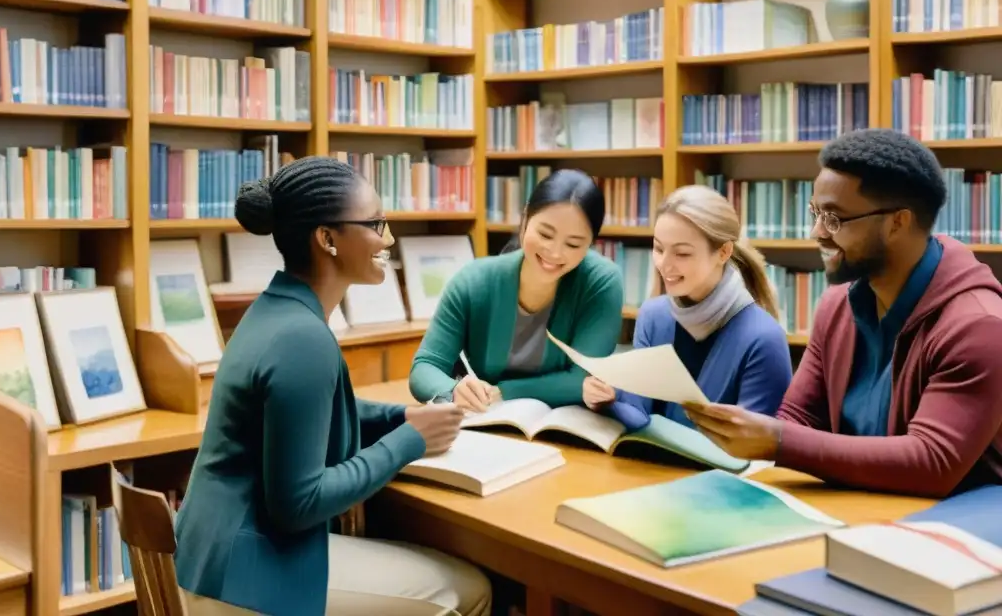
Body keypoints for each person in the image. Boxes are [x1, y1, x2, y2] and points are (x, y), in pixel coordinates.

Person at [173, 157, 491, 616]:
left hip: (215, 555)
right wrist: (409, 441)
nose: (389, 238)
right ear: (327, 239)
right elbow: (298, 505)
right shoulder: (303, 340)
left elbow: (308, 411)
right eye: (375, 224)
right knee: (470, 590)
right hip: (243, 578)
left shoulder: (274, 310)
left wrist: (399, 418)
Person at [684, 129, 1002, 498]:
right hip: (859, 503)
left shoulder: (980, 327)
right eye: (815, 213)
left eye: (834, 219)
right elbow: (798, 419)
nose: (817, 232)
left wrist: (777, 441)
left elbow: (932, 462)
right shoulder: (837, 305)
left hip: (958, 525)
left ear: (898, 222)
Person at [409, 169, 625, 411]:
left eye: (573, 244)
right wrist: (452, 391)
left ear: (591, 243)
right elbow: (425, 367)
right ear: (525, 218)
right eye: (545, 234)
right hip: (487, 422)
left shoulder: (601, 282)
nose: (554, 252)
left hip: (564, 429)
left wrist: (504, 391)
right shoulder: (474, 281)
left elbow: (584, 380)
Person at [583, 185, 792, 429]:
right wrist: (607, 400)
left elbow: (756, 447)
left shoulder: (763, 338)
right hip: (646, 464)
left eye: (682, 253)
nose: (664, 265)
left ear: (723, 252)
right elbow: (637, 412)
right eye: (659, 248)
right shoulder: (652, 316)